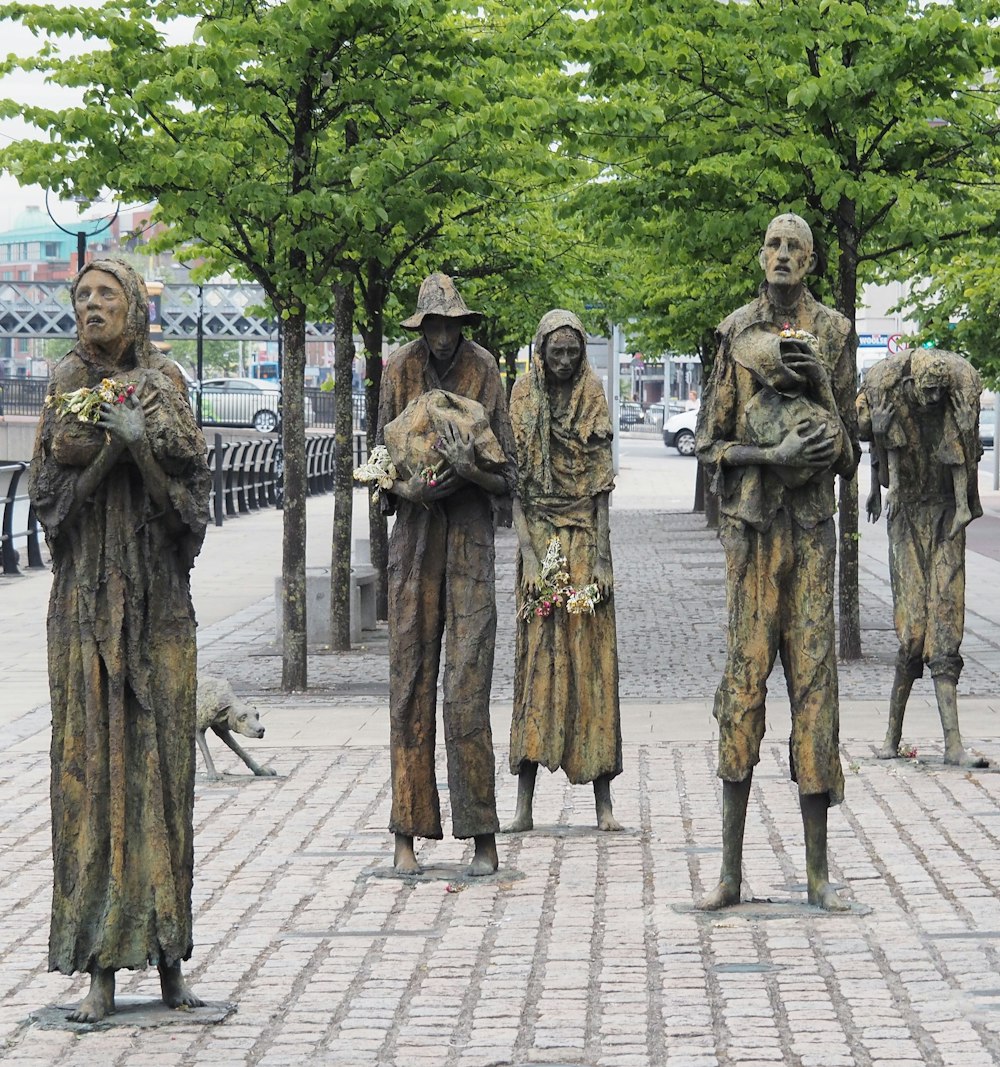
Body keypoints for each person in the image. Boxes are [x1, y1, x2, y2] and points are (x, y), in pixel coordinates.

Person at [29, 258, 210, 1022]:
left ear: (135, 306)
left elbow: (190, 516)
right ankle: (100, 963)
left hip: (159, 609)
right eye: (81, 295)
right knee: (90, 777)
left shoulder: (167, 381)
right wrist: (112, 451)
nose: (91, 304)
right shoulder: (65, 383)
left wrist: (142, 443)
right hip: (84, 616)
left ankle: (169, 952)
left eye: (106, 294)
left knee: (164, 776)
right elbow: (50, 508)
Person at [694, 212, 860, 912]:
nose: (782, 255)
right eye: (772, 245)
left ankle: (819, 872)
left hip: (814, 531)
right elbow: (711, 444)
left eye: (795, 247)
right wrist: (773, 456)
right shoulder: (736, 331)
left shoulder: (837, 333)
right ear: (760, 254)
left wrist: (820, 386)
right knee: (743, 682)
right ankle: (729, 872)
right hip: (755, 534)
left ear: (813, 262)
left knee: (816, 687)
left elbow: (850, 453)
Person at [376, 273, 517, 877]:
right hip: (413, 541)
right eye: (431, 325)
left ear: (461, 325)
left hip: (468, 544)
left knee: (466, 688)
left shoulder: (485, 370)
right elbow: (379, 461)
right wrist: (407, 487)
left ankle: (482, 833)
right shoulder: (396, 369)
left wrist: (469, 470)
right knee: (409, 684)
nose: (440, 336)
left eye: (449, 325)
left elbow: (509, 476)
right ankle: (407, 831)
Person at [505, 309, 622, 833]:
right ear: (541, 349)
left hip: (583, 540)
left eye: (574, 352)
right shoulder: (522, 394)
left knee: (591, 661)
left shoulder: (592, 393)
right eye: (557, 352)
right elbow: (516, 487)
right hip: (540, 541)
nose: (566, 361)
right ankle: (524, 802)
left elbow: (600, 482)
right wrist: (528, 554)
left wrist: (601, 558)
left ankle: (604, 802)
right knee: (537, 663)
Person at [857, 348, 985, 766]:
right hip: (908, 513)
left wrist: (964, 504)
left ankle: (953, 745)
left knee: (947, 621)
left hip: (947, 512)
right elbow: (866, 433)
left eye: (938, 393)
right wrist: (876, 454)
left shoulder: (955, 398)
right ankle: (892, 738)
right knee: (912, 629)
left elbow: (963, 454)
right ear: (913, 386)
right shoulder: (887, 389)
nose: (932, 400)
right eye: (926, 393)